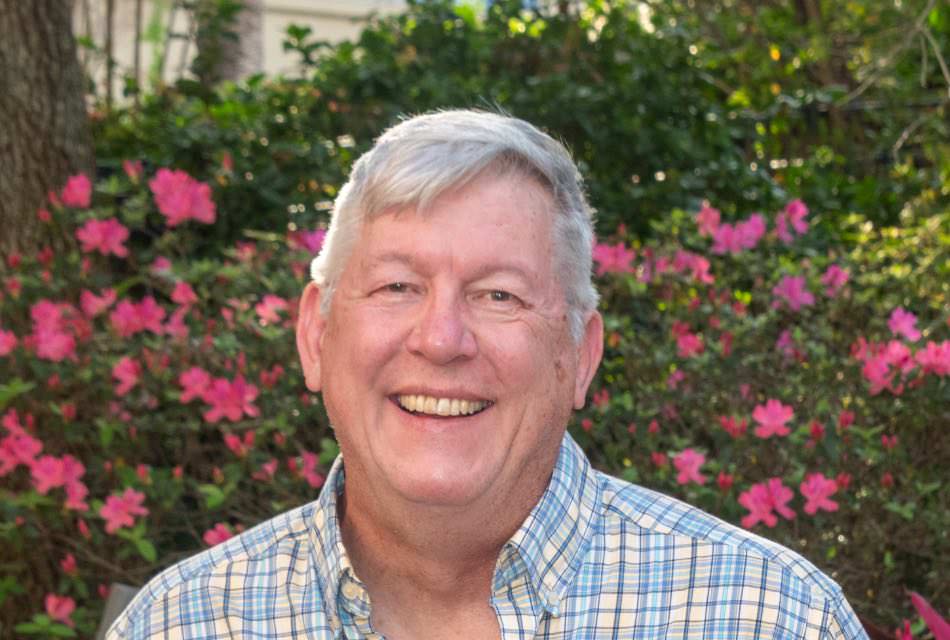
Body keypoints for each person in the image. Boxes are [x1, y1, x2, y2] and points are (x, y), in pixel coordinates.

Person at [108, 110, 868, 639]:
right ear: (315, 335)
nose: (441, 339)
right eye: (397, 286)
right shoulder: (182, 623)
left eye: (499, 295)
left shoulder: (769, 618)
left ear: (580, 354)